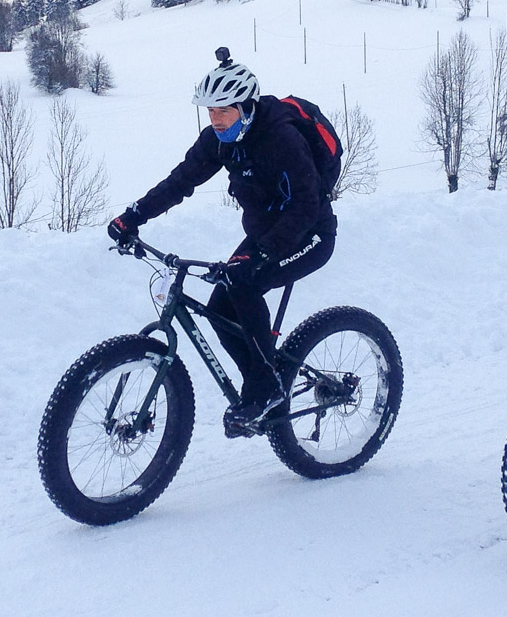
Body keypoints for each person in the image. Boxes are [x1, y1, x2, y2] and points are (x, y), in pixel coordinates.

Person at [107, 48, 337, 436]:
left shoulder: (281, 137)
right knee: (221, 303)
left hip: (309, 232)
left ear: (246, 107)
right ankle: (263, 386)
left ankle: (265, 390)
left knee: (243, 282)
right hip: (267, 232)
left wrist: (262, 253)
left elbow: (306, 204)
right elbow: (181, 181)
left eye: (223, 111)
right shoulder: (220, 140)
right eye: (210, 112)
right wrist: (132, 216)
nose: (215, 120)